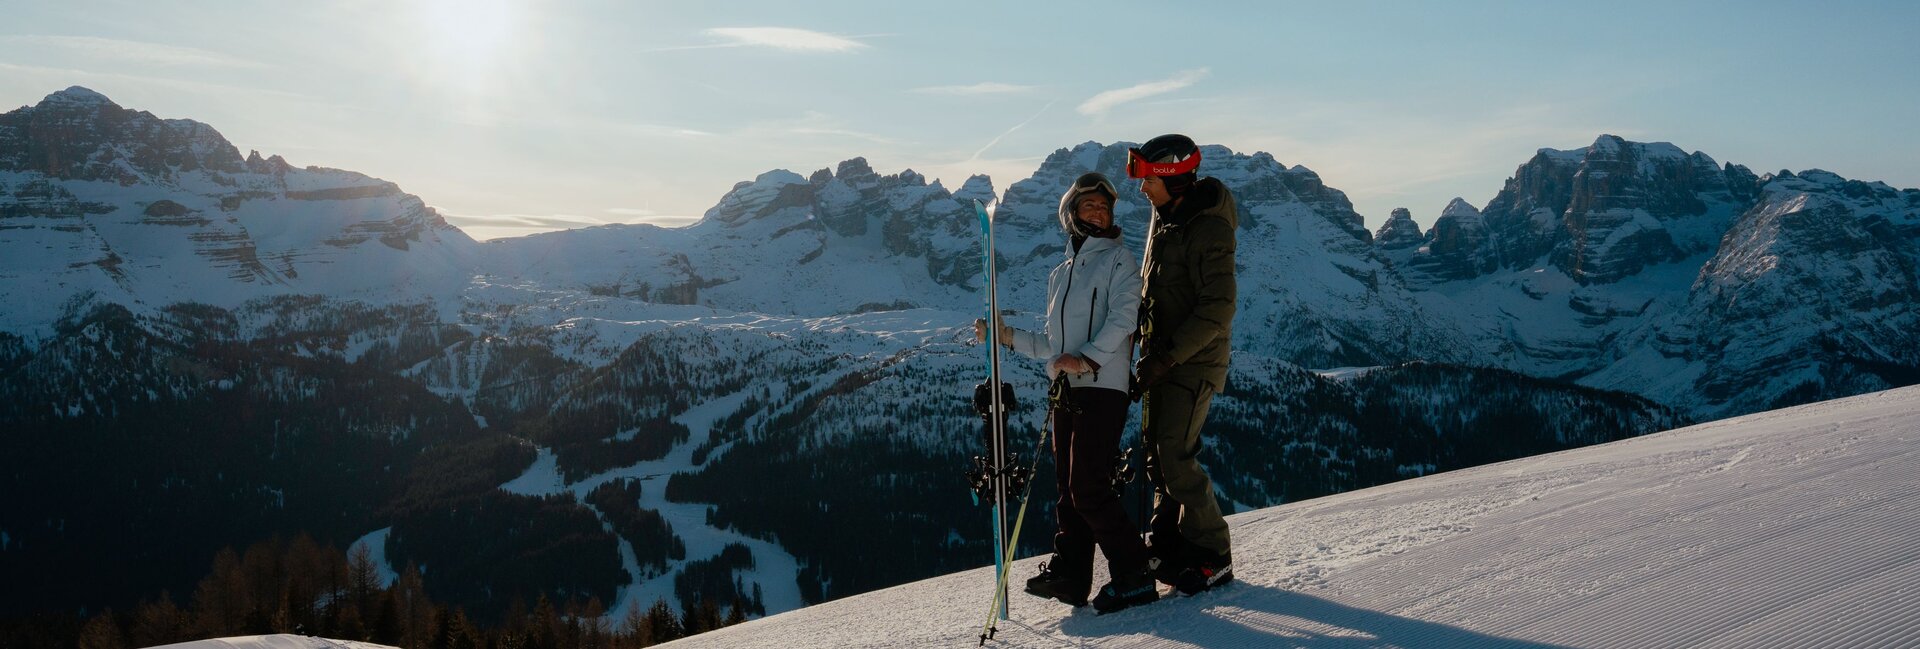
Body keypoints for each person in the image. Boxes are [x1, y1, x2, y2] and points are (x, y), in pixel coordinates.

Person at [974, 172, 1156, 613]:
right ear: (1070, 214)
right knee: (1067, 489)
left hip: (1103, 387)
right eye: (1089, 205)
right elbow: (1053, 346)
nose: (1099, 212)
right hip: (1067, 389)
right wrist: (1007, 337)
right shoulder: (1061, 274)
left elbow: (1124, 320)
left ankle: (1135, 575)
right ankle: (1072, 575)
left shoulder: (1119, 261)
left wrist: (1088, 359)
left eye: (1104, 207)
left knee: (1089, 486)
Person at [1126, 133, 1237, 595]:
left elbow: (1218, 307)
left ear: (1172, 176)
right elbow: (1155, 292)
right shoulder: (1165, 217)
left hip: (1191, 363)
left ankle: (1215, 552)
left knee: (1175, 455)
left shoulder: (1207, 228)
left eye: (1146, 178)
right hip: (1162, 359)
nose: (1140, 188)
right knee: (1157, 454)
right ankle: (1170, 539)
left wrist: (1167, 357)